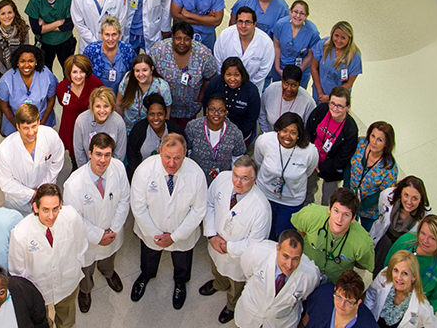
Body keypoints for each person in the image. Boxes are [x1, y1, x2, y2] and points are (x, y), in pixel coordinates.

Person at [130, 133, 207, 310]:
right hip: (151, 231)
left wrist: (175, 237)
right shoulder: (144, 170)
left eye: (177, 158)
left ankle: (180, 284)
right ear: (159, 152)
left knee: (182, 262)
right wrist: (157, 235)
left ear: (185, 153)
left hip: (182, 233)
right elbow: (138, 207)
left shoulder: (196, 174)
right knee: (149, 257)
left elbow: (198, 211)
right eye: (167, 157)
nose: (172, 163)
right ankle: (145, 277)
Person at [63, 133, 131, 313]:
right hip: (87, 239)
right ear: (90, 153)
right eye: (98, 154)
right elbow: (74, 219)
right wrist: (98, 236)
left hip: (112, 232)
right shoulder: (73, 184)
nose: (103, 160)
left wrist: (113, 229)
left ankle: (108, 273)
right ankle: (85, 290)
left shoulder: (118, 168)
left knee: (109, 257)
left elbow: (124, 200)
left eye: (107, 154)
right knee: (86, 267)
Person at [199, 156, 272, 324]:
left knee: (236, 284)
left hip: (237, 257)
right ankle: (218, 284)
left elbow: (255, 244)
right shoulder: (223, 179)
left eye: (245, 178)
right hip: (215, 243)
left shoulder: (261, 208)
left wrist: (228, 247)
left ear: (255, 180)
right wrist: (211, 234)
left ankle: (231, 305)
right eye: (236, 175)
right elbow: (210, 203)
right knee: (217, 268)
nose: (238, 182)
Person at [9, 184, 88, 328]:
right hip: (38, 288)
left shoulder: (71, 217)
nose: (51, 216)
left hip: (67, 281)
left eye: (55, 209)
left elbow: (81, 245)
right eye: (45, 210)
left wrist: (75, 267)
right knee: (41, 320)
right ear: (35, 207)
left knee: (67, 317)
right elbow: (17, 271)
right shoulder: (20, 233)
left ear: (61, 205)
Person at [235, 230, 321, 328]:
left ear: (302, 254)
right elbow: (247, 271)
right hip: (250, 313)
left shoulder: (310, 274)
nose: (289, 265)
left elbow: (306, 295)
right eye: (285, 256)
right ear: (277, 248)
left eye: (296, 259)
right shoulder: (257, 252)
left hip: (281, 323)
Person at [254, 112, 318, 240]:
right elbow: (258, 160)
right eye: (284, 130)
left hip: (291, 201)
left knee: (285, 237)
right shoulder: (264, 141)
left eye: (293, 132)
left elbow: (308, 172)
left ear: (299, 134)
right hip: (265, 195)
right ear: (278, 129)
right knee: (264, 233)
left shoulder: (310, 151)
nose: (287, 136)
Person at [291, 189, 375, 284]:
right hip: (304, 273)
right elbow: (299, 232)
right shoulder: (309, 215)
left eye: (346, 215)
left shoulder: (363, 243)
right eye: (336, 211)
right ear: (329, 209)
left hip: (334, 283)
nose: (339, 219)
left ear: (353, 218)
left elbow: (363, 264)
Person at [0, 104, 65, 216]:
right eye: (25, 128)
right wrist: (32, 194)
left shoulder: (50, 136)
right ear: (18, 127)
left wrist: (45, 186)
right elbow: (6, 182)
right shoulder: (5, 150)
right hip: (19, 204)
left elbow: (57, 161)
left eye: (34, 126)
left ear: (38, 122)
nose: (31, 132)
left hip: (45, 195)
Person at [149, 21, 218, 128]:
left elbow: (210, 78)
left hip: (189, 108)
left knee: (185, 135)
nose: (182, 42)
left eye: (186, 39)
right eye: (178, 38)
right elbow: (149, 73)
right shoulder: (158, 51)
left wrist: (200, 98)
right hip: (165, 107)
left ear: (191, 38)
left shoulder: (203, 54)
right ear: (172, 37)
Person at [385, 215, 437, 312]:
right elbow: (386, 268)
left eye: (432, 238)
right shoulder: (405, 242)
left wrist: (417, 317)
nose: (425, 241)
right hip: (388, 297)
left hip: (416, 310)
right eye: (423, 233)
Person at [305, 87, 358, 206]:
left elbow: (343, 158)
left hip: (333, 167)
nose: (334, 109)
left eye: (340, 106)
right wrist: (312, 157)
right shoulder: (321, 110)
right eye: (332, 103)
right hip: (313, 158)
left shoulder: (351, 129)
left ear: (348, 107)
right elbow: (308, 131)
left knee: (329, 201)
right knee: (307, 191)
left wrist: (322, 166)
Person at [364, 251, 437, 328]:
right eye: (396, 270)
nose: (399, 277)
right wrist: (367, 320)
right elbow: (370, 295)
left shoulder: (421, 307)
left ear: (414, 277)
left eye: (405, 273)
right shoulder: (384, 277)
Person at [370, 176, 431, 276]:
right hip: (384, 243)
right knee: (377, 273)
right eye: (406, 195)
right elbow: (381, 210)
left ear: (421, 199)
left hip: (402, 250)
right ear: (400, 193)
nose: (409, 202)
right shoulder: (387, 196)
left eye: (415, 198)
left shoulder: (425, 218)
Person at [345, 121, 398, 231]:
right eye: (372, 136)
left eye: (380, 140)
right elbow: (348, 164)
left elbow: (383, 193)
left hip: (370, 209)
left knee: (366, 233)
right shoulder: (360, 144)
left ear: (387, 143)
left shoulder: (389, 168)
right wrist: (346, 189)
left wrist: (361, 206)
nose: (373, 142)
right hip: (349, 196)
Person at [0, 45, 58, 137]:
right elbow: (5, 107)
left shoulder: (47, 75)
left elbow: (51, 100)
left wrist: (42, 123)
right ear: (17, 62)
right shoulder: (7, 79)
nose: (26, 65)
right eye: (22, 61)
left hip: (42, 121)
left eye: (31, 61)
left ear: (36, 62)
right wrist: (19, 127)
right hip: (15, 123)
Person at [185, 93, 246, 184]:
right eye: (212, 110)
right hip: (196, 178)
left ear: (226, 112)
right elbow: (188, 152)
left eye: (221, 110)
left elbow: (237, 159)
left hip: (222, 181)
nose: (216, 114)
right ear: (206, 110)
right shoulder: (193, 127)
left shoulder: (234, 133)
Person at [56, 55, 104, 167]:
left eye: (82, 72)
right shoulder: (61, 88)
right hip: (70, 127)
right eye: (74, 72)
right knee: (75, 158)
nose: (78, 76)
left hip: (91, 126)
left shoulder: (95, 84)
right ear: (69, 73)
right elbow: (61, 102)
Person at [214, 6, 276, 91]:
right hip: (226, 86)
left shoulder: (266, 43)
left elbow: (263, 71)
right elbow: (218, 62)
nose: (243, 26)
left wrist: (245, 87)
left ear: (254, 24)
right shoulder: (224, 36)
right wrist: (229, 81)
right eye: (240, 21)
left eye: (247, 22)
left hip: (252, 88)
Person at [25, 0, 75, 72]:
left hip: (65, 41)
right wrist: (58, 22)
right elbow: (36, 29)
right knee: (44, 72)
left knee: (69, 70)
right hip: (44, 43)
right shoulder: (35, 0)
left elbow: (69, 26)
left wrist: (45, 26)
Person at [202, 57, 261, 145]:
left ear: (242, 74)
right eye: (228, 74)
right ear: (223, 74)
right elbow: (206, 106)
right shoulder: (215, 83)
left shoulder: (251, 91)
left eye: (236, 75)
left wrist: (238, 136)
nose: (232, 79)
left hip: (241, 133)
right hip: (214, 130)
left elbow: (251, 118)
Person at [125, 93, 184, 178]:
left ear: (166, 114)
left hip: (170, 176)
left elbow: (182, 158)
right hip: (144, 176)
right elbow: (132, 161)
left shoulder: (176, 131)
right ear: (147, 115)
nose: (156, 118)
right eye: (152, 114)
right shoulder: (138, 131)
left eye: (160, 114)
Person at [116, 54, 173, 132]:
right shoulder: (127, 80)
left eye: (145, 70)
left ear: (151, 70)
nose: (140, 74)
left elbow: (166, 113)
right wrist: (119, 126)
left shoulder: (162, 87)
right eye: (137, 71)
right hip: (128, 128)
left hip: (150, 129)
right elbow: (119, 104)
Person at [72, 87, 127, 167]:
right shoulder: (81, 120)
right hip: (87, 168)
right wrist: (87, 171)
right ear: (92, 107)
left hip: (111, 168)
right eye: (98, 106)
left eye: (106, 106)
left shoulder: (118, 122)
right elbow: (79, 151)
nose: (102, 111)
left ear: (111, 107)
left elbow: (119, 154)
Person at [271, 0, 320, 89]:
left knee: (297, 95)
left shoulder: (313, 32)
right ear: (290, 11)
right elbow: (276, 47)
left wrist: (297, 72)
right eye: (295, 12)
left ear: (306, 16)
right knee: (278, 92)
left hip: (301, 68)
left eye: (302, 13)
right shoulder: (280, 25)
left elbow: (310, 56)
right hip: (281, 65)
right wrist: (278, 68)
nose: (298, 16)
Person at [303, 270, 378, 328]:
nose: (341, 305)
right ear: (335, 290)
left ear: (358, 302)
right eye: (339, 297)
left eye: (348, 302)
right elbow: (306, 319)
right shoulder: (322, 295)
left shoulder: (368, 324)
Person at [0, 0, 30, 90]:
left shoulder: (23, 30)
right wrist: (8, 74)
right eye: (3, 13)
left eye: (9, 12)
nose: (7, 16)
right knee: (1, 102)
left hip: (19, 71)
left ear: (14, 13)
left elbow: (25, 53)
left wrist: (16, 73)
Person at [82, 16, 136, 94]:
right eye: (107, 34)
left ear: (120, 34)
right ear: (101, 35)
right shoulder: (91, 51)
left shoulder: (127, 50)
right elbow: (84, 74)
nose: (110, 39)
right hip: (98, 97)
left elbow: (134, 72)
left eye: (114, 34)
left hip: (122, 96)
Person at [311, 21, 362, 104]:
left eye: (343, 38)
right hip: (319, 93)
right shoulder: (323, 45)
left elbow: (349, 83)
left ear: (349, 39)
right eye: (336, 36)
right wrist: (320, 93)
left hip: (339, 97)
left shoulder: (354, 57)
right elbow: (314, 68)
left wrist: (330, 98)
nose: (338, 40)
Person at [259, 65, 315, 134]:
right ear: (282, 80)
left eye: (293, 85)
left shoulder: (308, 102)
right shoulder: (271, 90)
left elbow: (308, 128)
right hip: (270, 135)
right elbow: (262, 114)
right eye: (286, 83)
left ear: (299, 83)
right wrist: (267, 134)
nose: (289, 89)